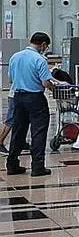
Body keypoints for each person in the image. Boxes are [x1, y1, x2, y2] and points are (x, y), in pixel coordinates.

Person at [5, 32, 56, 176]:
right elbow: (45, 82)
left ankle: (12, 164)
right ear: (43, 45)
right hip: (35, 99)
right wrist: (54, 87)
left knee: (18, 131)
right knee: (38, 132)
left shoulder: (15, 57)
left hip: (18, 97)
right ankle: (37, 166)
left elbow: (11, 80)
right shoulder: (40, 59)